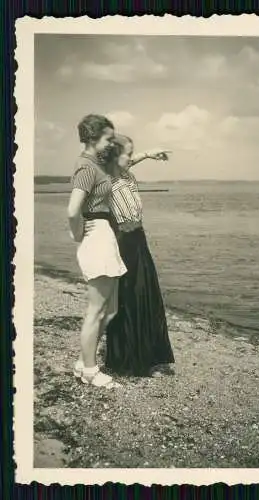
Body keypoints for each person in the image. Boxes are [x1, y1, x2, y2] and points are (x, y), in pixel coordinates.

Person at [86, 135, 175, 376]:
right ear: (114, 157)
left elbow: (128, 162)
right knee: (129, 297)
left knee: (147, 295)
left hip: (138, 239)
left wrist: (147, 154)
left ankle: (149, 358)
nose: (131, 157)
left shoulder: (126, 175)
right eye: (128, 153)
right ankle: (126, 361)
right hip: (123, 242)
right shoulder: (107, 176)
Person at [67, 114, 127, 389]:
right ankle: (90, 370)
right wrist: (78, 232)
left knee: (110, 310)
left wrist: (147, 155)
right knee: (96, 310)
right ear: (92, 139)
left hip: (105, 234)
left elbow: (123, 163)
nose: (111, 144)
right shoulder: (86, 167)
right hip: (97, 236)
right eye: (107, 139)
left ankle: (83, 361)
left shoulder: (98, 165)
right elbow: (72, 209)